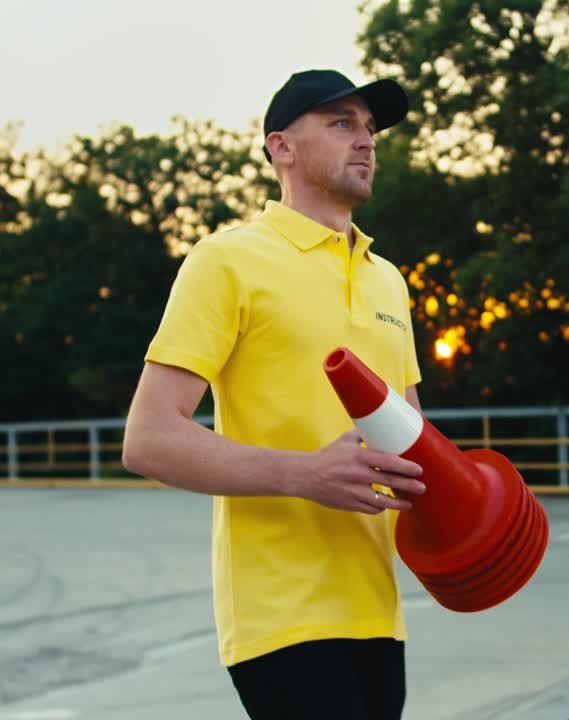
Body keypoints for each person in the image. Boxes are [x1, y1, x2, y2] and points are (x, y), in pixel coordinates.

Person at [121, 69, 426, 720]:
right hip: (280, 617)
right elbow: (148, 438)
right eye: (342, 123)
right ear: (281, 148)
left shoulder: (389, 282)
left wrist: (476, 521)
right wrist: (305, 473)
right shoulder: (227, 260)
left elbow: (412, 450)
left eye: (370, 128)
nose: (366, 140)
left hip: (379, 611)